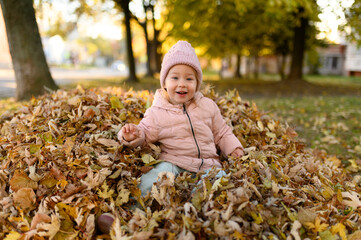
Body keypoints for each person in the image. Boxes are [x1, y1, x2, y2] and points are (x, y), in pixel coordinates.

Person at [97, 40, 244, 233]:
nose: (182, 84)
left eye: (189, 79)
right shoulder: (157, 111)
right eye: (175, 78)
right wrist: (133, 136)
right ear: (165, 82)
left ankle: (195, 220)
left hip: (208, 164)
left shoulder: (208, 106)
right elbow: (145, 132)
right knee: (154, 179)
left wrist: (234, 148)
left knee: (220, 183)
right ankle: (128, 216)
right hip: (174, 162)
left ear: (197, 83)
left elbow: (222, 132)